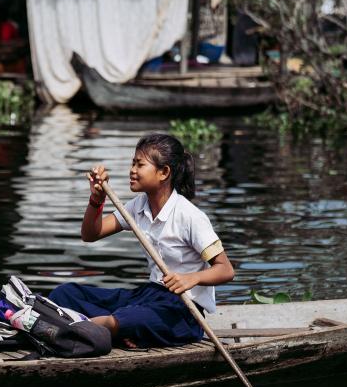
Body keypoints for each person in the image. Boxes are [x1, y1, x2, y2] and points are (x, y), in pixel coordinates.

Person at [49, 133, 234, 348]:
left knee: (128, 318)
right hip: (150, 295)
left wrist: (191, 278)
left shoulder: (189, 216)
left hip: (182, 311)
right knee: (65, 294)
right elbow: (91, 234)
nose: (132, 170)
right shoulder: (138, 206)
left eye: (140, 165)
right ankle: (117, 331)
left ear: (164, 172)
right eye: (132, 163)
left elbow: (226, 270)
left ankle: (81, 331)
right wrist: (97, 199)